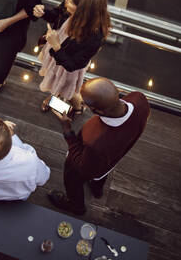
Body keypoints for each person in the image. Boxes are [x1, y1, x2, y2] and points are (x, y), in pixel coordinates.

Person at [48, 77, 150, 215]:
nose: (82, 104)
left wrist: (67, 131)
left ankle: (76, 206)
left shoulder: (97, 143)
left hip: (83, 160)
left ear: (98, 111)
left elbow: (81, 166)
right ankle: (97, 189)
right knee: (101, 173)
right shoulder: (139, 98)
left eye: (85, 104)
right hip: (113, 157)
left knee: (73, 179)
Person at [33, 0, 110, 114]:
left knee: (69, 90)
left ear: (82, 10)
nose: (66, 1)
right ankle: (54, 96)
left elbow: (72, 65)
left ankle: (77, 109)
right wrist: (43, 13)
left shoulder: (95, 37)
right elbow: (57, 14)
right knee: (56, 82)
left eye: (70, 1)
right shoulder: (73, 1)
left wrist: (56, 45)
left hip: (68, 66)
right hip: (57, 53)